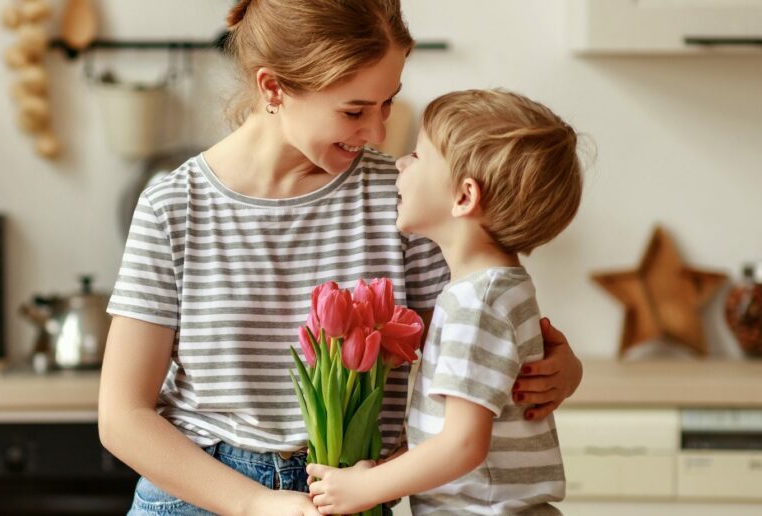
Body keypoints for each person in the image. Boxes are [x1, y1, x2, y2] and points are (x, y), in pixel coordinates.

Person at [98, 2, 584, 515]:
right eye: (354, 110)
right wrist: (255, 505)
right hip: (201, 497)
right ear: (273, 89)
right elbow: (122, 416)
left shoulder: (405, 200)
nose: (377, 133)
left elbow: (475, 341)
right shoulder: (173, 207)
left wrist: (558, 369)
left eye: (387, 103)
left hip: (350, 492)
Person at [306, 89, 582, 515]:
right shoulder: (501, 288)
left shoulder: (475, 305)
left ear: (464, 197)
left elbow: (464, 445)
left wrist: (366, 488)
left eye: (416, 156)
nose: (399, 162)